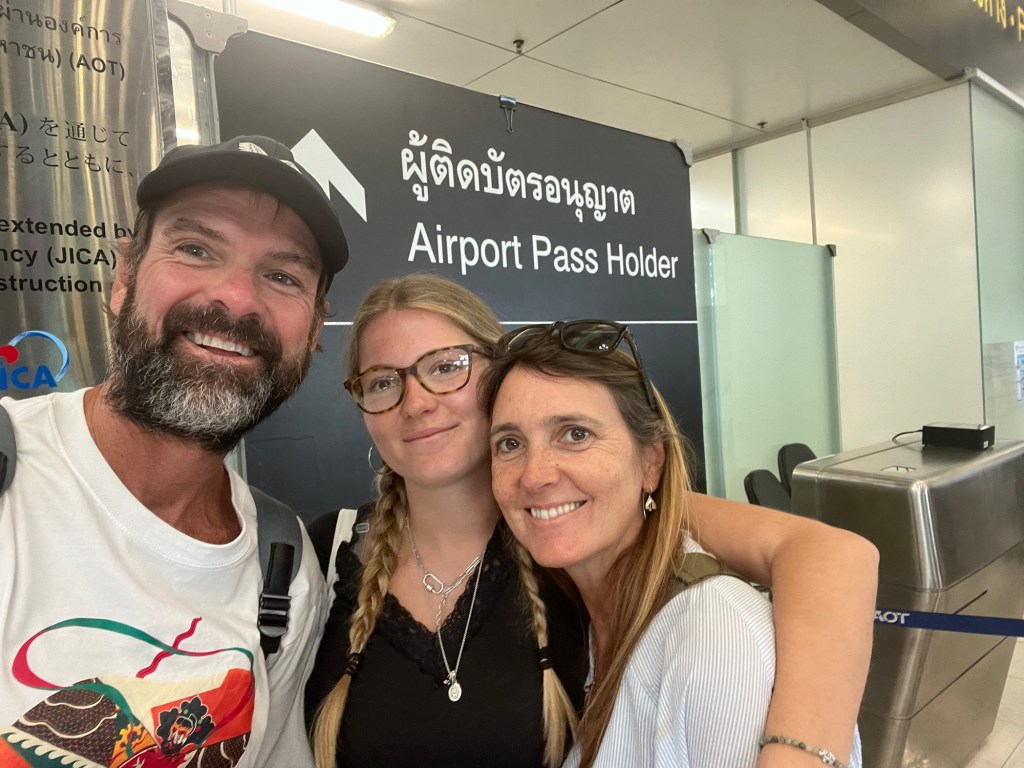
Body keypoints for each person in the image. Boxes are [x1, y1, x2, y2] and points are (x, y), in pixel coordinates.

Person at [305, 274, 877, 768]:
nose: (416, 402)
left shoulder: (568, 535)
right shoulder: (330, 550)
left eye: (446, 367)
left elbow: (829, 555)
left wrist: (797, 753)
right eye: (383, 381)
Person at [0, 135, 348, 767]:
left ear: (315, 329)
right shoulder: (13, 477)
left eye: (281, 276)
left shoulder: (286, 563)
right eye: (195, 249)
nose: (236, 298)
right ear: (124, 277)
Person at [483, 319, 865, 768]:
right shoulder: (588, 618)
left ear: (651, 462)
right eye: (510, 443)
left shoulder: (714, 636)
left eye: (576, 434)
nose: (534, 475)